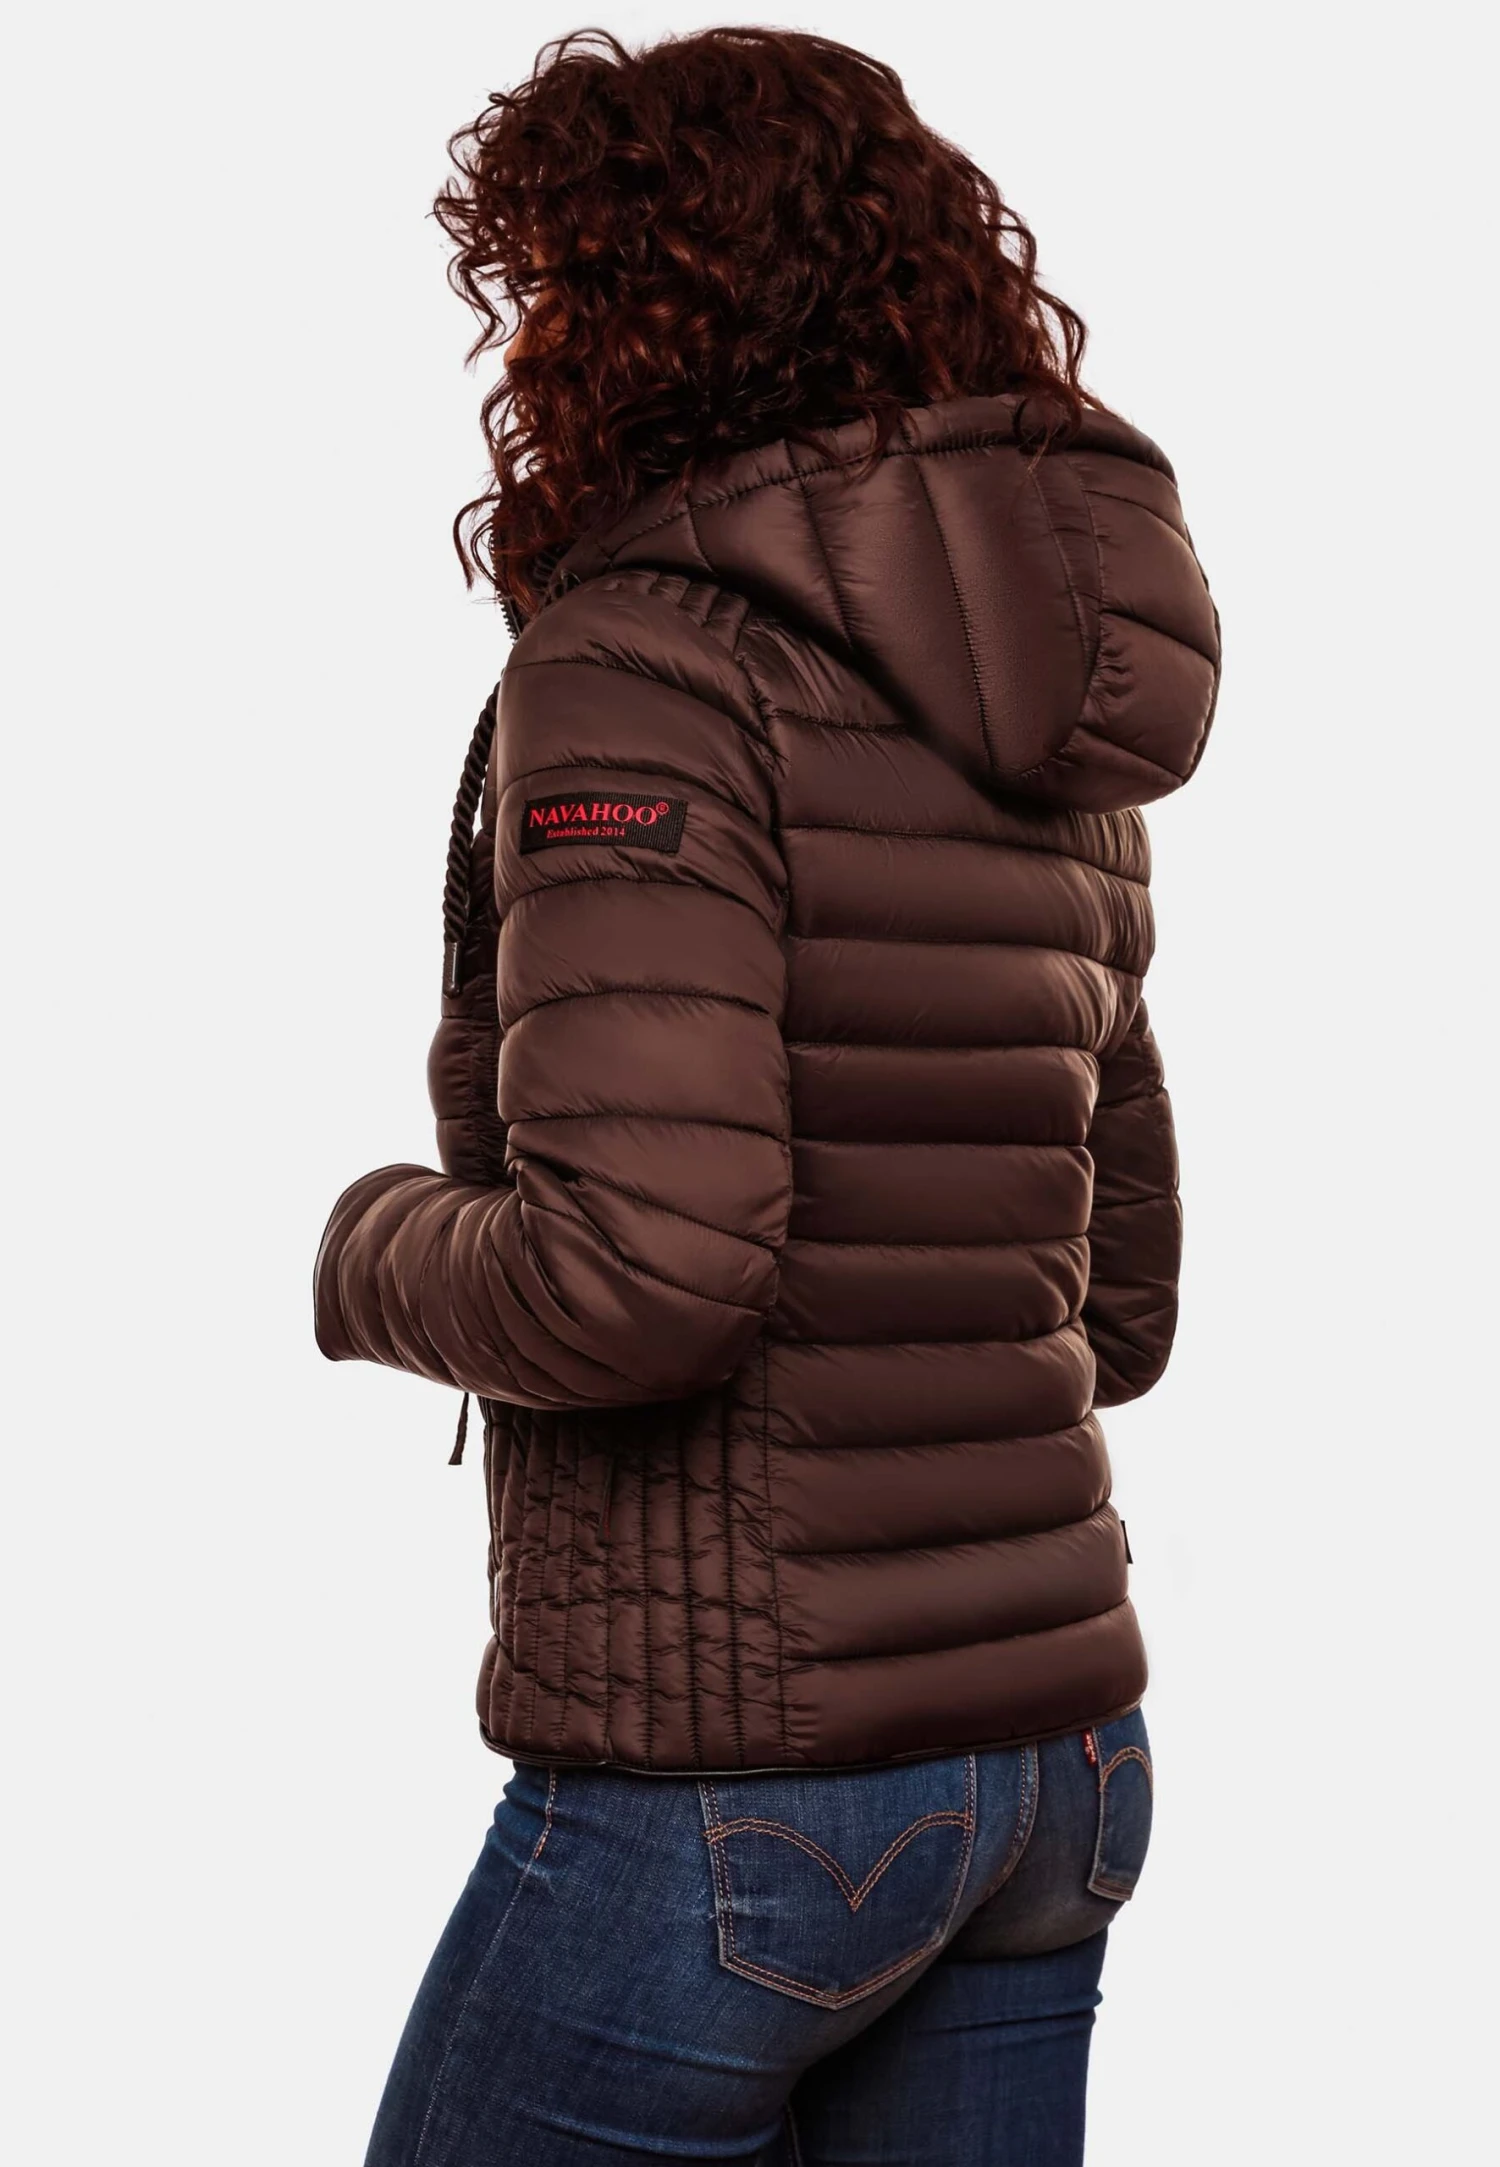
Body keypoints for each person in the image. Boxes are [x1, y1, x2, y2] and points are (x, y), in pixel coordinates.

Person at [313, 26, 1219, 2165]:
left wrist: (363, 1249)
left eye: (555, 288)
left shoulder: (648, 661)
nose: (528, 342)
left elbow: (640, 1282)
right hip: (1058, 1765)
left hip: (744, 1787)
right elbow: (1120, 1309)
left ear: (648, 309)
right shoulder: (1054, 720)